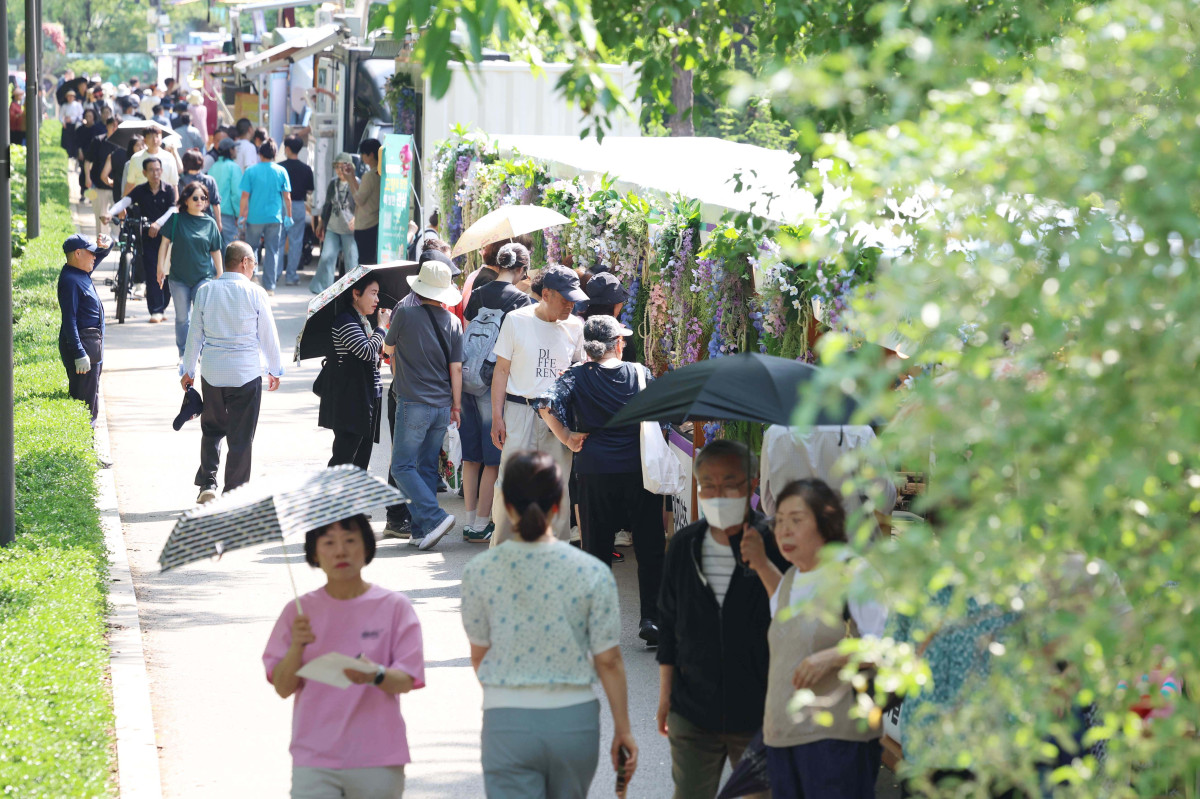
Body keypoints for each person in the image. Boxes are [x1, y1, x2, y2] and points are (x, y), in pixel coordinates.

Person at [460, 451, 638, 798]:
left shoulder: (480, 571)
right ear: (559, 504)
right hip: (573, 722)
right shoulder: (591, 571)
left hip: (507, 720)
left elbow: (480, 656)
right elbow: (609, 660)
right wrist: (623, 729)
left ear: (506, 505)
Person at [656, 438, 789, 799]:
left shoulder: (776, 543)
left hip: (760, 714)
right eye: (708, 485)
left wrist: (762, 563)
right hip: (693, 711)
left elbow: (795, 620)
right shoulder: (684, 545)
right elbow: (668, 624)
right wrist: (666, 695)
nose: (718, 494)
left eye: (730, 484)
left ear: (752, 484)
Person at [743, 478, 886, 798]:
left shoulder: (854, 572)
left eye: (796, 520)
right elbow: (787, 623)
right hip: (782, 740)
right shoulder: (793, 577)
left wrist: (833, 656)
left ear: (826, 520)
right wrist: (762, 563)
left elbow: (887, 645)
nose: (784, 530)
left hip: (836, 743)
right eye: (779, 521)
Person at [264, 514, 424, 799]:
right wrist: (296, 647)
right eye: (328, 542)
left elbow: (406, 680)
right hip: (314, 760)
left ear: (366, 548)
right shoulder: (297, 612)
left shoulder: (394, 607)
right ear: (314, 553)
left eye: (350, 540)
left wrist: (375, 674)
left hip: (378, 759)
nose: (340, 551)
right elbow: (282, 687)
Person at [534, 315, 666, 646]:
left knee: (596, 549)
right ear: (618, 344)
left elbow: (544, 403)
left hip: (594, 471)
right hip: (639, 471)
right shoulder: (639, 373)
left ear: (588, 348)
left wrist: (566, 437)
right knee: (650, 548)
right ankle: (652, 620)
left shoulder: (576, 376)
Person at [488, 265, 587, 546]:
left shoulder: (575, 326)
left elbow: (580, 369)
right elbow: (501, 371)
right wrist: (497, 417)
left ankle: (555, 552)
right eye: (565, 298)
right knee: (511, 482)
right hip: (520, 409)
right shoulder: (516, 320)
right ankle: (504, 549)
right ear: (545, 294)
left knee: (557, 485)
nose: (570, 305)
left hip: (558, 416)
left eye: (574, 299)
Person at [181, 241, 283, 503]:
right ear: (245, 263)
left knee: (212, 428)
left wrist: (188, 370)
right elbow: (268, 335)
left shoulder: (205, 292)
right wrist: (275, 369)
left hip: (212, 373)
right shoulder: (256, 293)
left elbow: (194, 335)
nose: (254, 269)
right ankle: (233, 494)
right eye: (254, 264)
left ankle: (208, 482)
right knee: (241, 437)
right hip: (246, 375)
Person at [383, 259, 463, 551]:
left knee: (403, 466)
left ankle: (433, 516)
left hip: (412, 402)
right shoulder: (454, 322)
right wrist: (456, 406)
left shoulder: (403, 315)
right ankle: (421, 530)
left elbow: (387, 350)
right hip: (442, 405)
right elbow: (456, 369)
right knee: (427, 467)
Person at [456, 244, 533, 544]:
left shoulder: (478, 293)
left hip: (467, 377)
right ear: (523, 269)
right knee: (492, 459)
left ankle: (468, 520)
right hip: (492, 383)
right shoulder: (521, 301)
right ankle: (480, 524)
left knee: (471, 457)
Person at [318, 273, 390, 470]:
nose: (377, 299)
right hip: (351, 401)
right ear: (356, 294)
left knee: (360, 462)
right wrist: (381, 328)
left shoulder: (363, 322)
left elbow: (369, 354)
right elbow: (366, 351)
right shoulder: (345, 321)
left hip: (367, 398)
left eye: (378, 294)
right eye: (373, 293)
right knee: (344, 458)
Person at [158, 181, 223, 360]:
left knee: (202, 317)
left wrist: (221, 275)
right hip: (178, 278)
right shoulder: (176, 219)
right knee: (182, 318)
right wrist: (160, 268)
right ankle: (184, 353)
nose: (199, 201)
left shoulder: (210, 223)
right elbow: (164, 244)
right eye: (195, 198)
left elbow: (215, 250)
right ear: (186, 200)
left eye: (203, 198)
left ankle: (201, 352)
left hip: (203, 277)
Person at [57, 234, 113, 427]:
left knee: (92, 399)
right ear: (78, 253)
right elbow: (69, 321)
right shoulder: (70, 280)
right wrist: (79, 353)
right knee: (85, 405)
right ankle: (85, 454)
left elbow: (102, 253)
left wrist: (108, 242)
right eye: (91, 253)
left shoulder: (81, 271)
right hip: (83, 348)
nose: (95, 257)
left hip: (92, 347)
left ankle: (89, 453)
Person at [123, 157, 177, 321]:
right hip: (147, 239)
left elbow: (174, 209)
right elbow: (125, 201)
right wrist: (109, 213)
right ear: (145, 173)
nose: (155, 173)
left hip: (168, 238)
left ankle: (162, 306)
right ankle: (156, 309)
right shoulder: (140, 190)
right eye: (152, 170)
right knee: (152, 271)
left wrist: (158, 224)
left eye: (158, 169)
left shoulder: (168, 190)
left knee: (167, 274)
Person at [238, 139, 293, 295]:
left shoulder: (251, 171)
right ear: (275, 154)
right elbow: (287, 197)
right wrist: (289, 215)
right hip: (275, 218)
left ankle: (253, 277)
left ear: (260, 153)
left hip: (254, 217)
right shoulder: (281, 171)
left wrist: (241, 215)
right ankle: (269, 287)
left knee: (251, 249)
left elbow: (244, 196)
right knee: (272, 251)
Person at [310, 152, 358, 294]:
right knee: (326, 257)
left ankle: (353, 290)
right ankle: (325, 290)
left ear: (349, 167)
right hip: (333, 226)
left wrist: (357, 217)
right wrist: (321, 223)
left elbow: (362, 204)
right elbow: (327, 205)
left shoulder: (357, 182)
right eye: (336, 167)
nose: (339, 170)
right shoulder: (333, 182)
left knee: (351, 259)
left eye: (342, 166)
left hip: (350, 228)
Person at [279, 136, 315, 287]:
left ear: (287, 149)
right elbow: (310, 189)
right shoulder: (306, 169)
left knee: (278, 241)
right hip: (299, 205)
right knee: (296, 241)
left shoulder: (279, 167)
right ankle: (291, 275)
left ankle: (274, 275)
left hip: (281, 204)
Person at [345, 138, 381, 264]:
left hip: (366, 224)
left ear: (371, 155)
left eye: (363, 154)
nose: (361, 157)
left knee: (365, 261)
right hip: (375, 223)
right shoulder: (380, 173)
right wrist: (353, 178)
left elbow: (359, 200)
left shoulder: (370, 175)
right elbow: (363, 193)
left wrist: (350, 180)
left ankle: (365, 284)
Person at [85, 116, 120, 239]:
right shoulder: (98, 141)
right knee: (101, 214)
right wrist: (87, 178)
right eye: (112, 126)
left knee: (118, 215)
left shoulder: (123, 144)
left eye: (117, 126)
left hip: (117, 186)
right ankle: (103, 241)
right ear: (107, 126)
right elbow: (87, 161)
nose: (115, 129)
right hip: (99, 185)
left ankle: (116, 238)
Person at [123, 125, 181, 198]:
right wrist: (123, 205)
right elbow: (130, 184)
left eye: (157, 136)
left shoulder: (169, 157)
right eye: (150, 137)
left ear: (161, 138)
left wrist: (176, 207)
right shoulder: (136, 158)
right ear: (145, 140)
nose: (154, 140)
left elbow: (174, 185)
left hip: (164, 203)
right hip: (141, 204)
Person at [208, 138, 242, 248]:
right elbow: (237, 194)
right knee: (231, 249)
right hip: (227, 215)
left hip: (211, 213)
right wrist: (239, 215)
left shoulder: (212, 166)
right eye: (234, 148)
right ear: (230, 150)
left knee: (214, 250)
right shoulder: (234, 167)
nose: (236, 151)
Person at [177, 148, 222, 224]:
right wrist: (219, 222)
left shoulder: (180, 181)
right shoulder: (209, 180)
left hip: (186, 220)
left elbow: (178, 204)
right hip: (206, 220)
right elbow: (215, 204)